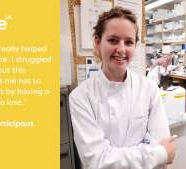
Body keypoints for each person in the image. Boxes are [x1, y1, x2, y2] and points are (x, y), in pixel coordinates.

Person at [69, 6, 176, 169]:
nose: (121, 49)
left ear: (135, 45)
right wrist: (156, 155)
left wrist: (156, 154)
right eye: (113, 40)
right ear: (98, 42)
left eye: (128, 42)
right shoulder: (80, 97)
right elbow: (97, 161)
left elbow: (161, 143)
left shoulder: (149, 88)